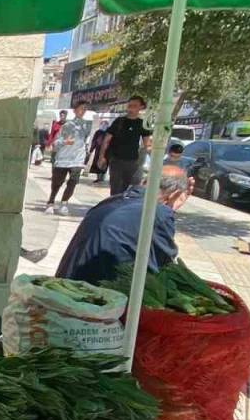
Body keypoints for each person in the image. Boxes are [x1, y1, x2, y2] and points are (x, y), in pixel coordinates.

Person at [55, 166, 191, 285]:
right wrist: (170, 210)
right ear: (175, 194)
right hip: (100, 293)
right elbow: (165, 265)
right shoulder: (158, 212)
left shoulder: (112, 201)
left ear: (144, 182)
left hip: (69, 280)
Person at [99, 96, 153, 194]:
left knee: (127, 190)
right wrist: (101, 156)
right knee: (115, 189)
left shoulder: (143, 124)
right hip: (116, 160)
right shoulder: (119, 121)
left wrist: (155, 159)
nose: (131, 108)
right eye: (130, 105)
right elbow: (106, 140)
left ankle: (121, 207)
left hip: (132, 161)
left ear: (141, 107)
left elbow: (147, 144)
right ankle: (114, 207)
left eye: (135, 106)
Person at [45, 100, 91, 215]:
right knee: (57, 182)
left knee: (73, 182)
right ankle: (51, 202)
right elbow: (56, 142)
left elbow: (87, 140)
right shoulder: (67, 125)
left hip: (78, 159)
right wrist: (65, 141)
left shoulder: (87, 125)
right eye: (81, 108)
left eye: (85, 109)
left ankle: (64, 203)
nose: (83, 111)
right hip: (64, 158)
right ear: (75, 110)